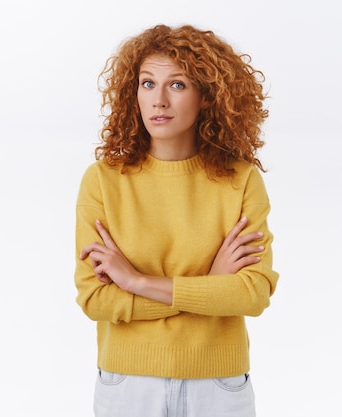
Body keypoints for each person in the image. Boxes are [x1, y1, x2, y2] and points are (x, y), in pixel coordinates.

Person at [74, 24, 279, 417]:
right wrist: (211, 288)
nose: (159, 101)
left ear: (207, 96)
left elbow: (253, 294)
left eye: (178, 85)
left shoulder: (241, 180)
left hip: (218, 384)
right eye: (148, 84)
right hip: (128, 382)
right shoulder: (103, 180)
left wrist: (137, 282)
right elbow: (96, 299)